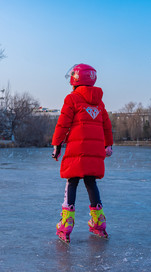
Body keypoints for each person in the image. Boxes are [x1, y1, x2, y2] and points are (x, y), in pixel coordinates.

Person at [52, 63, 113, 243]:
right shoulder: (99, 102)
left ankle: (66, 223)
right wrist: (108, 145)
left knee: (72, 182)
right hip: (94, 151)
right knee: (91, 182)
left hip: (76, 150)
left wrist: (56, 145)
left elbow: (63, 124)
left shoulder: (72, 99)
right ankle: (99, 221)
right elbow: (106, 125)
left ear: (75, 79)